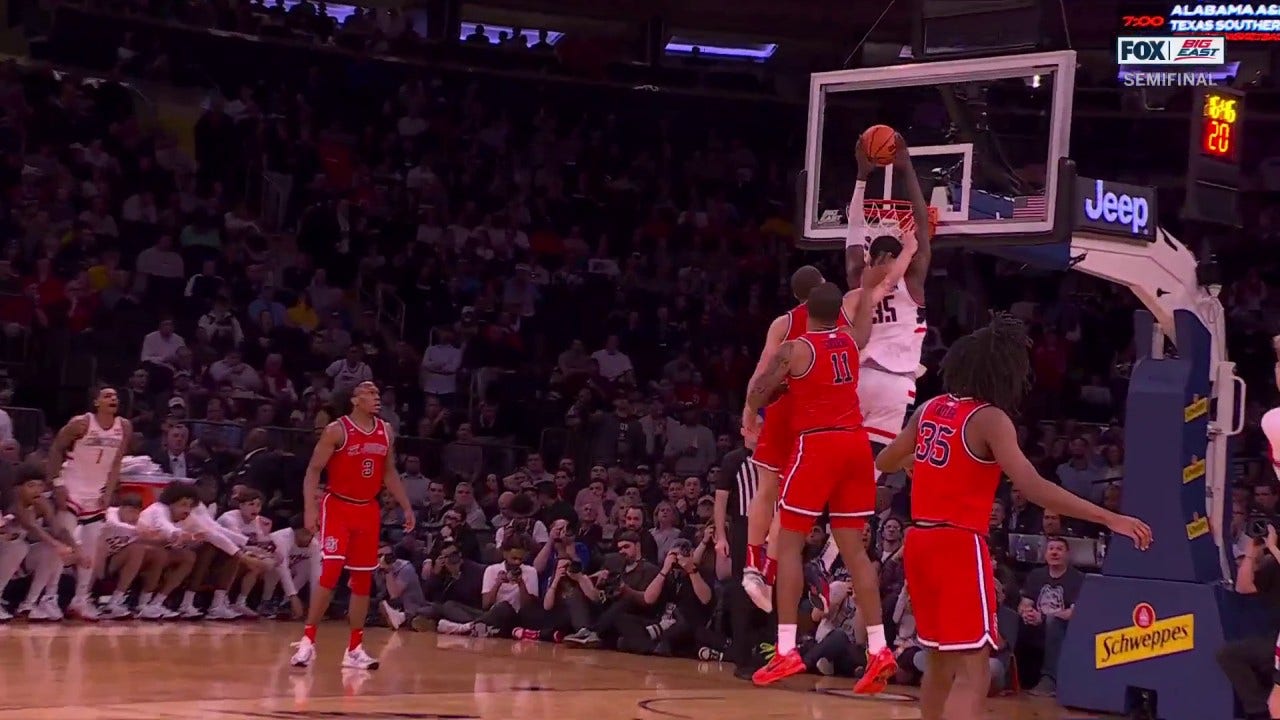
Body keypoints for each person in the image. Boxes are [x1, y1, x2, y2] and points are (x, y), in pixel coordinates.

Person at [874, 314, 1152, 720]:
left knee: (937, 660)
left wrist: (921, 466)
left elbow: (885, 459)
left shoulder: (930, 408)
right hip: (957, 545)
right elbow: (1035, 487)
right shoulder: (989, 418)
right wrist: (1108, 518)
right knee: (974, 668)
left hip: (920, 543)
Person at [742, 279, 900, 693]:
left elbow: (757, 394)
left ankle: (786, 649)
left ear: (805, 309)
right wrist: (870, 286)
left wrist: (773, 386)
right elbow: (864, 324)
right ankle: (880, 650)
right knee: (856, 551)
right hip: (855, 444)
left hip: (818, 446)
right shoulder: (849, 342)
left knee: (790, 543)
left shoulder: (796, 348)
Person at [290, 382, 415, 670]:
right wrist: (310, 508)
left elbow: (389, 472)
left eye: (377, 394)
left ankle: (355, 649)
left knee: (362, 581)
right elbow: (313, 470)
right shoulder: (337, 430)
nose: (376, 398)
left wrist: (406, 505)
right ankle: (308, 641)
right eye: (370, 393)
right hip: (337, 506)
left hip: (367, 510)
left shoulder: (386, 431)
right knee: (330, 574)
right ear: (355, 400)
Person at [737, 264, 829, 612]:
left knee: (766, 490)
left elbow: (761, 374)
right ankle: (768, 572)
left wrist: (748, 417)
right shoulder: (839, 320)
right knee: (792, 505)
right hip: (814, 418)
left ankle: (751, 566)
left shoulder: (784, 323)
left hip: (779, 410)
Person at [47, 386, 131, 621]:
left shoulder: (123, 426)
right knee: (64, 544)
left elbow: (117, 462)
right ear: (95, 402)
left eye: (115, 396)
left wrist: (109, 490)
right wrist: (57, 483)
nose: (113, 399)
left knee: (91, 548)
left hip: (96, 492)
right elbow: (55, 449)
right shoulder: (81, 423)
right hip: (72, 487)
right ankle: (49, 598)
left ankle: (80, 600)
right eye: (107, 396)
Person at [5, 463, 86, 621]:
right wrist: (59, 546)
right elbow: (32, 527)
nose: (37, 490)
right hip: (5, 554)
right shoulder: (13, 503)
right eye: (31, 485)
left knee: (50, 551)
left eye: (40, 485)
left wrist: (77, 550)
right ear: (18, 488)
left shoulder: (42, 503)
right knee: (20, 547)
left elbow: (59, 530)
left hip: (17, 564)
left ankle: (29, 604)